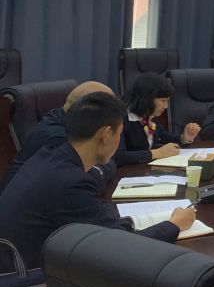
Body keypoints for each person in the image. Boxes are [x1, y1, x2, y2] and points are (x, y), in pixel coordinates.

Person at [0, 92, 194, 270]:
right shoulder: (72, 183)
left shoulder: (48, 156)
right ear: (106, 135)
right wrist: (174, 225)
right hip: (30, 282)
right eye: (119, 134)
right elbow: (121, 247)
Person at [0, 81, 114, 194]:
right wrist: (104, 163)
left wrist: (102, 161)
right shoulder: (57, 138)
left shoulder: (62, 118)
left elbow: (112, 155)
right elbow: (90, 181)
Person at [113, 73, 200, 167]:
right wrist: (157, 153)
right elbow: (118, 156)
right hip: (126, 173)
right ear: (147, 98)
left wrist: (184, 139)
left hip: (144, 170)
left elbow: (166, 137)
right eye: (163, 101)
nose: (166, 106)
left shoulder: (149, 116)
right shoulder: (120, 119)